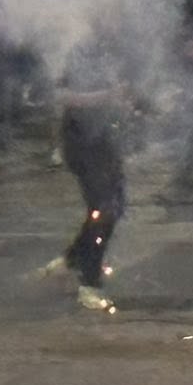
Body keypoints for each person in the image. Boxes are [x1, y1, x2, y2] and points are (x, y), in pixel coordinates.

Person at [40, 31, 135, 312]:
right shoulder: (78, 49)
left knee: (114, 205)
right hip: (81, 142)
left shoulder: (118, 48)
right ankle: (89, 282)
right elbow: (62, 96)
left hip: (107, 141)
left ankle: (72, 258)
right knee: (104, 208)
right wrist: (106, 97)